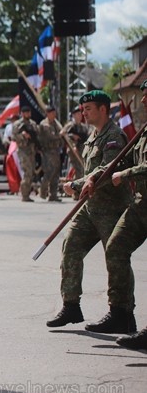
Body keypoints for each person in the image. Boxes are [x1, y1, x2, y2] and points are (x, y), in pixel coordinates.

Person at [47, 90, 132, 328]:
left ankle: (122, 313)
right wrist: (81, 183)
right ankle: (71, 306)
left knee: (116, 258)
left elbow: (106, 170)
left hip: (111, 207)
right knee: (71, 245)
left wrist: (75, 184)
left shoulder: (114, 136)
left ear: (103, 109)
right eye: (82, 110)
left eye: (88, 109)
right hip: (90, 206)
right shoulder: (93, 136)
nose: (83, 113)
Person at [85, 80, 147, 337]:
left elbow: (136, 167)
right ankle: (121, 314)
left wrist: (126, 173)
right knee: (116, 246)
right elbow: (119, 162)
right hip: (142, 203)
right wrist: (89, 179)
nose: (143, 101)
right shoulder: (143, 131)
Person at [12, 106, 39, 201]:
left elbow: (37, 135)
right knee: (27, 171)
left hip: (31, 151)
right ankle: (24, 194)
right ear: (22, 114)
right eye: (26, 112)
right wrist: (23, 135)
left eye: (29, 112)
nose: (28, 114)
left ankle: (26, 193)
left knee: (31, 172)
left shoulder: (33, 124)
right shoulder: (17, 124)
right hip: (23, 150)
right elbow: (14, 137)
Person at [39, 107, 63, 201]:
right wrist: (60, 135)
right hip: (47, 151)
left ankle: (53, 194)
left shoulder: (55, 123)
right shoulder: (44, 124)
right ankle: (42, 191)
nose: (54, 115)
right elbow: (50, 136)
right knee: (49, 171)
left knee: (56, 173)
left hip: (56, 151)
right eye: (52, 113)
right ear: (47, 114)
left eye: (54, 113)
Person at [61, 107, 88, 180]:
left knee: (82, 170)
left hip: (82, 151)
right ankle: (75, 189)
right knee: (77, 169)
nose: (79, 115)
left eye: (80, 114)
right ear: (73, 115)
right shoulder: (70, 125)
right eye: (77, 114)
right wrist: (72, 137)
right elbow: (63, 134)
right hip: (73, 151)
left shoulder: (83, 127)